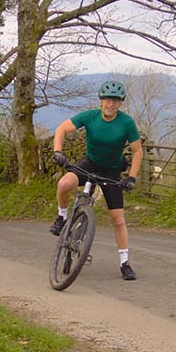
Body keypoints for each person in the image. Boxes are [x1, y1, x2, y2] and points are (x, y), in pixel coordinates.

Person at [50, 80, 143, 281]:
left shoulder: (126, 122)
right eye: (107, 100)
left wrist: (132, 177)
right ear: (101, 101)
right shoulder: (90, 117)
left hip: (112, 170)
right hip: (90, 164)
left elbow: (137, 151)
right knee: (64, 184)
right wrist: (58, 151)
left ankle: (124, 263)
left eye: (115, 101)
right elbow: (61, 129)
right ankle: (61, 217)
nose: (110, 104)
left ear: (120, 103)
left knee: (118, 219)